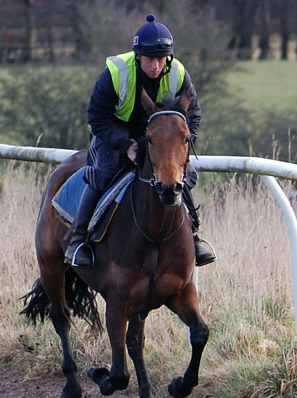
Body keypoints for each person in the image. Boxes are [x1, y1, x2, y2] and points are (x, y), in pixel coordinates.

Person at [65, 14, 216, 269]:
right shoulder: (116, 72)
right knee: (105, 172)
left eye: (161, 59)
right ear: (138, 57)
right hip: (115, 130)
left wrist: (180, 145)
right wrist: (126, 145)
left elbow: (194, 114)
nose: (156, 66)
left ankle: (194, 235)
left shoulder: (178, 72)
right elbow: (96, 117)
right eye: (150, 59)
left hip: (159, 135)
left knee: (184, 175)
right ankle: (78, 240)